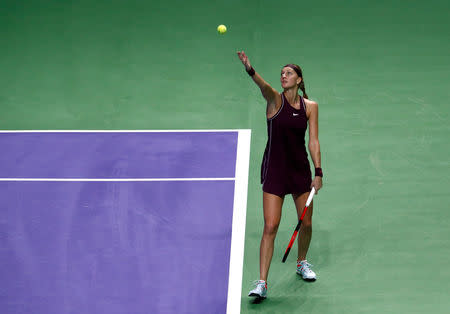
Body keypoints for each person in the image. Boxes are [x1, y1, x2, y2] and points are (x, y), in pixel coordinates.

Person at [237, 51, 323, 299]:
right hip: (275, 170)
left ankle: (301, 262)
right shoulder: (275, 100)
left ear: (299, 79)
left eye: (288, 73)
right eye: (282, 73)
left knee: (306, 222)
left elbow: (314, 141)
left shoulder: (311, 107)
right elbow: (264, 86)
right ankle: (262, 283)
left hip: (299, 170)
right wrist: (250, 69)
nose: (283, 76)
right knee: (271, 225)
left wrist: (318, 172)